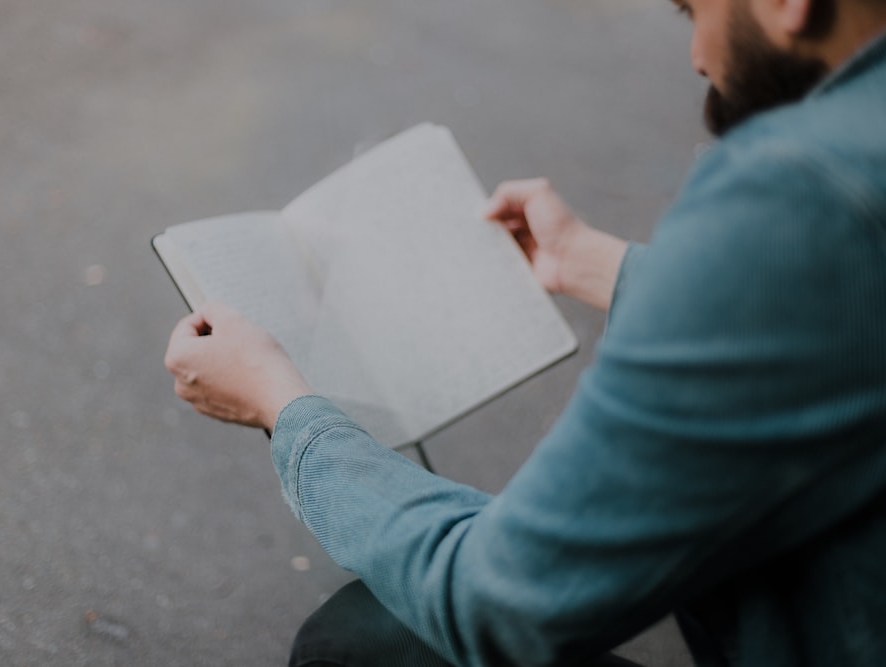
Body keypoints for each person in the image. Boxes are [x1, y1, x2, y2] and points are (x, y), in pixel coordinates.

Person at [164, 0, 886, 664]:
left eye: (693, 9)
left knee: (361, 644)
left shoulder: (796, 195)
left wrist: (287, 409)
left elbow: (494, 599)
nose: (698, 55)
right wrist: (596, 264)